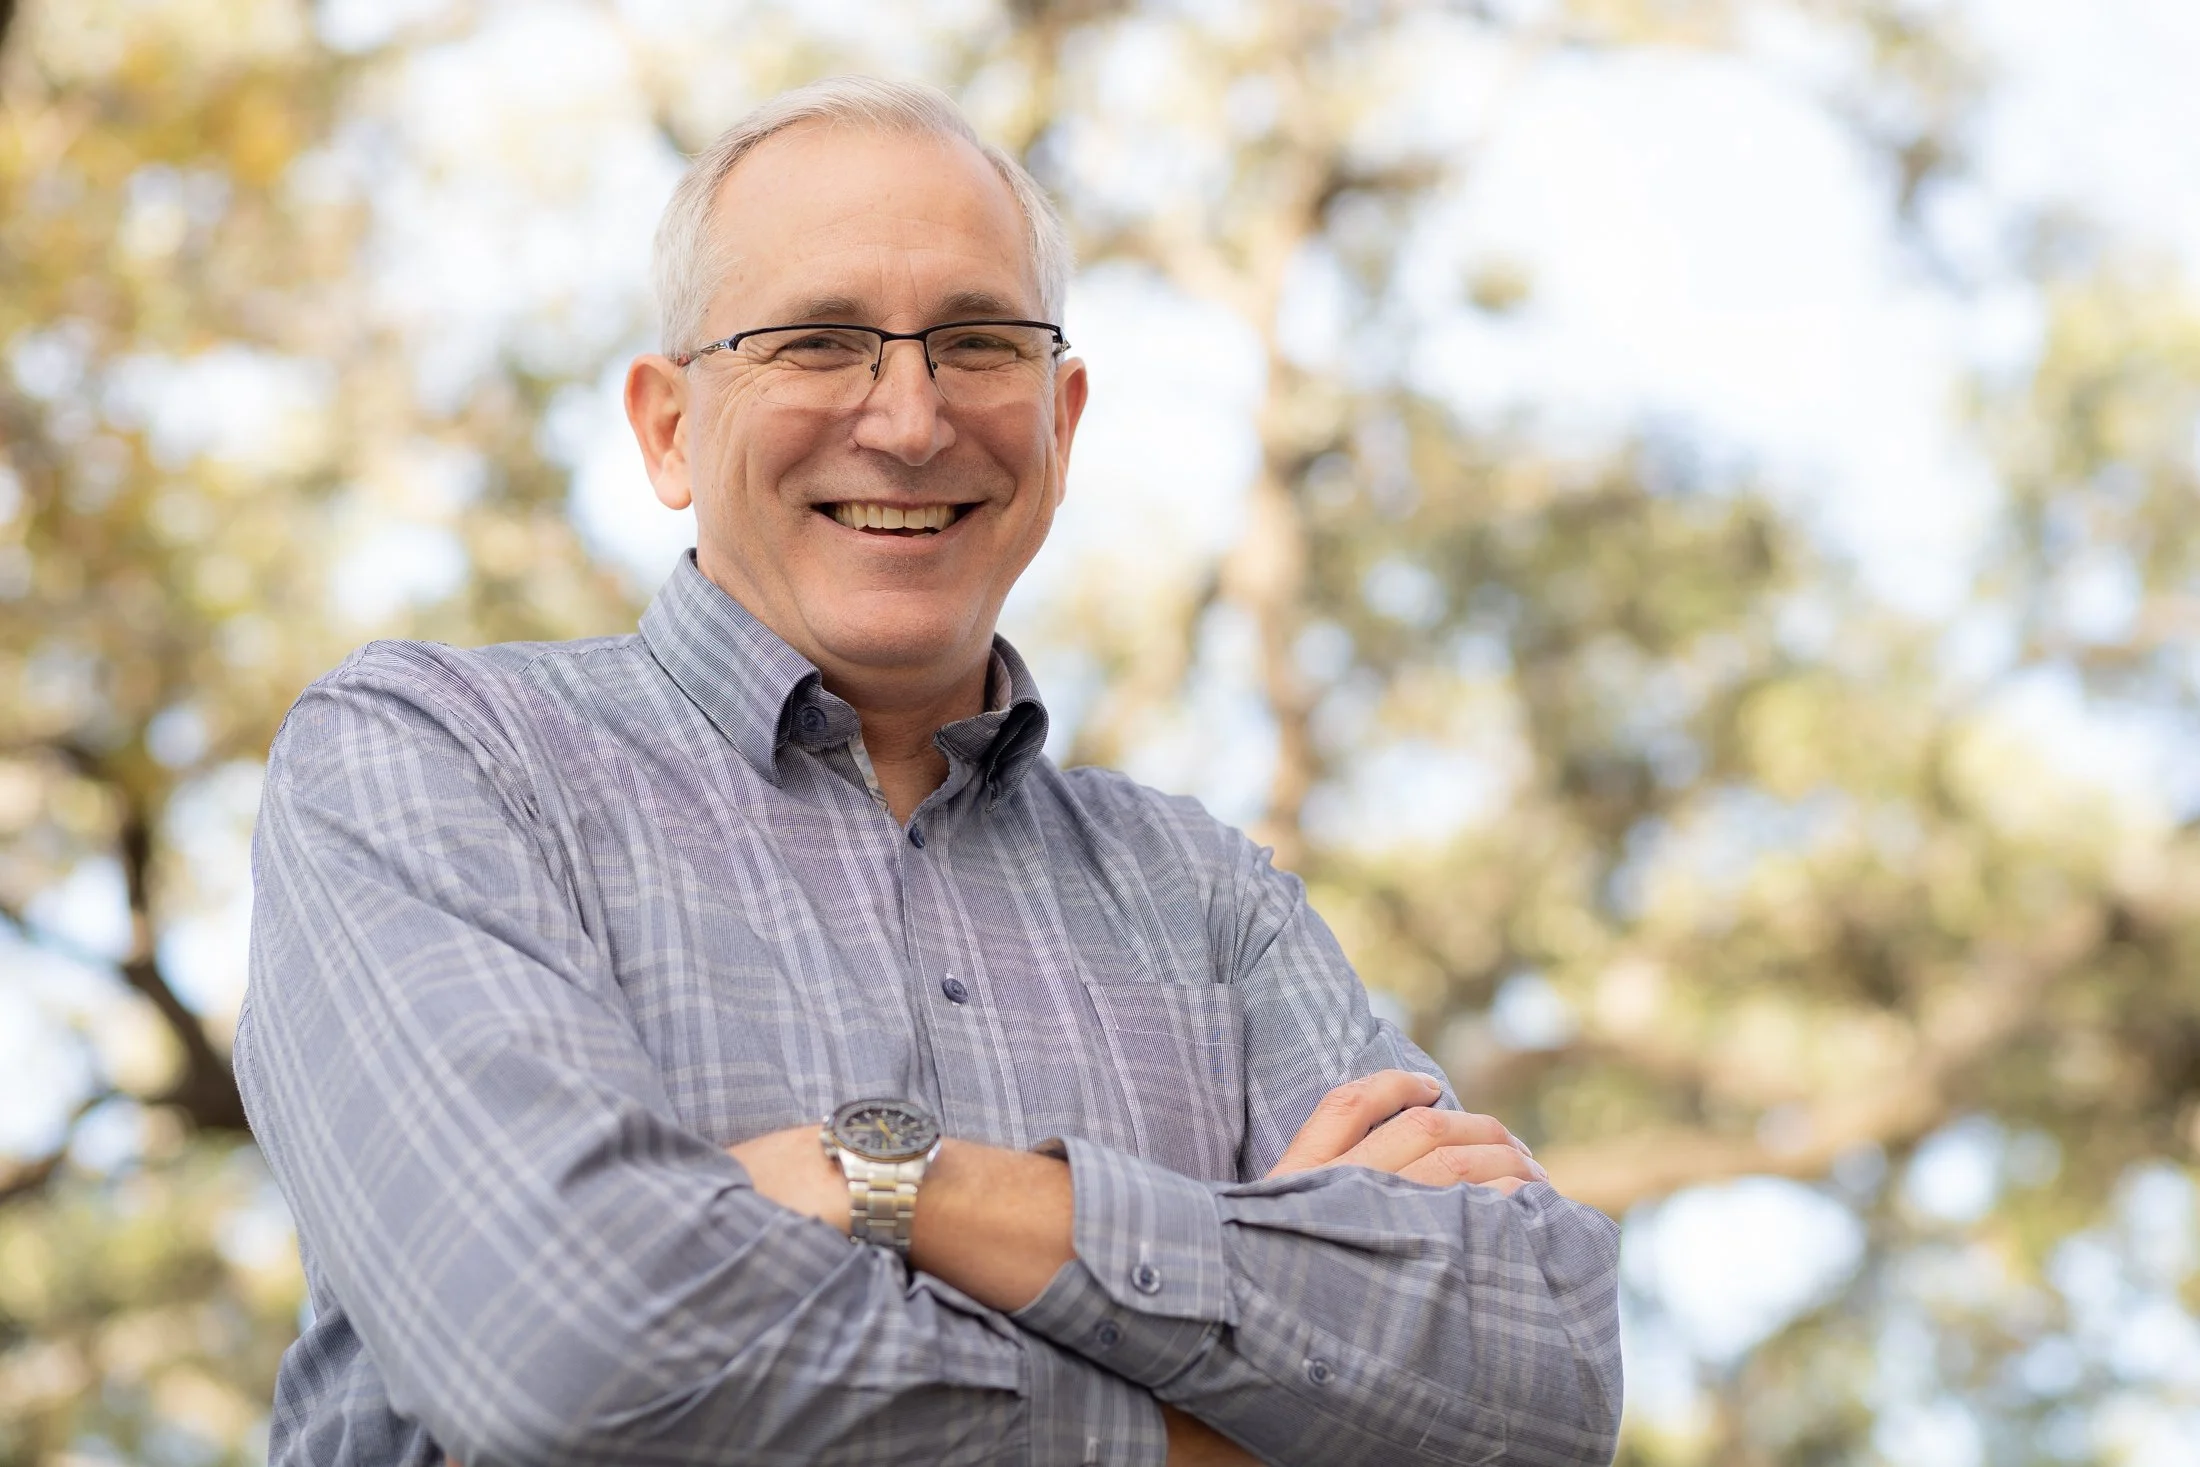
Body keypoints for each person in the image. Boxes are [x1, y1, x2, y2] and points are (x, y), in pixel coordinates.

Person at [237, 75, 1622, 1467]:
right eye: (819, 341)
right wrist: (1221, 1414)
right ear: (667, 427)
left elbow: (1541, 1377)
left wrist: (882, 1177)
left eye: (977, 342)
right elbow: (561, 1347)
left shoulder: (1208, 903)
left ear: (1062, 422)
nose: (907, 419)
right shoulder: (439, 759)